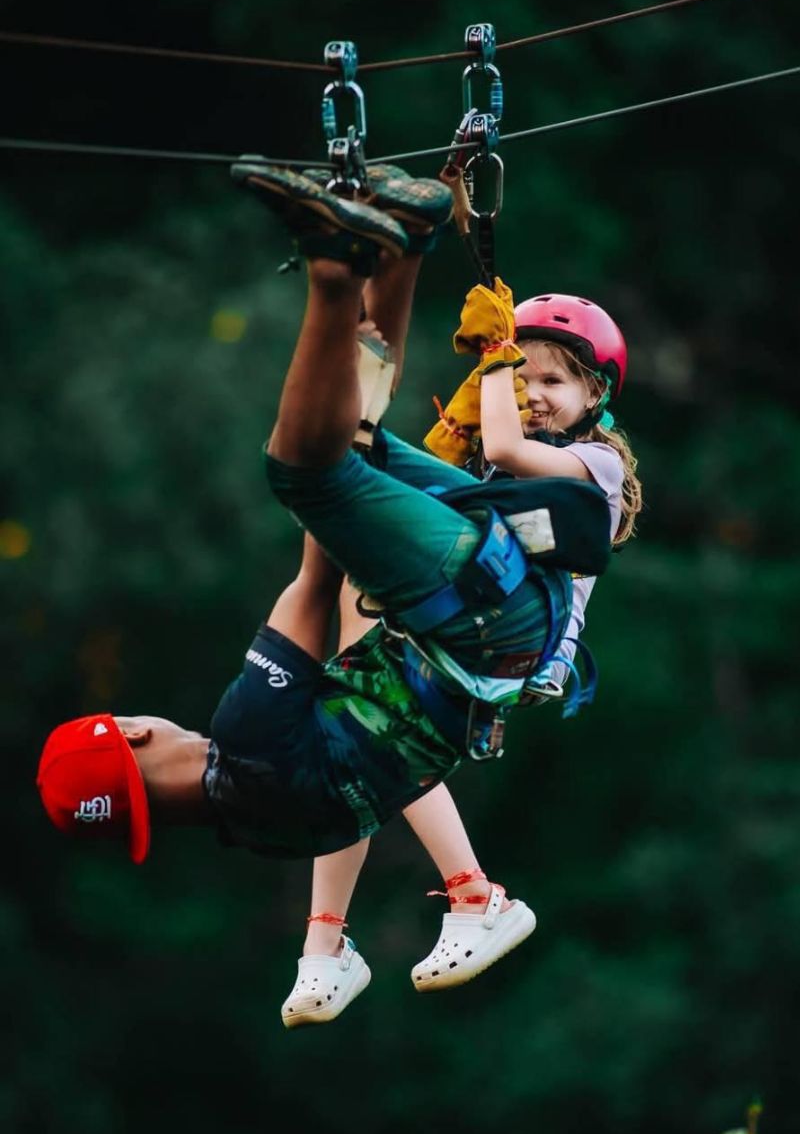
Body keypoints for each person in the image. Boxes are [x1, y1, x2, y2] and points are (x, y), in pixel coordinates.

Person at [36, 161, 616, 1024]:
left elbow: (372, 777)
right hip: (490, 620)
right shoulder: (248, 737)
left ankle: (401, 244)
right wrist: (345, 319)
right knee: (302, 469)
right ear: (135, 734)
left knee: (346, 447)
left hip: (476, 644)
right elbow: (319, 567)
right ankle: (337, 265)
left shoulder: (275, 829)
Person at [288, 261, 643, 1026]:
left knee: (355, 601)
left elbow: (513, 455)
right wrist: (455, 428)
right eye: (530, 376)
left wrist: (497, 362)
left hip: (515, 634)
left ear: (597, 398)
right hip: (466, 626)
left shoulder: (596, 464)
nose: (537, 393)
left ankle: (477, 895)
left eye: (557, 382)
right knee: (353, 737)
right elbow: (425, 478)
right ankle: (328, 941)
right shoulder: (494, 448)